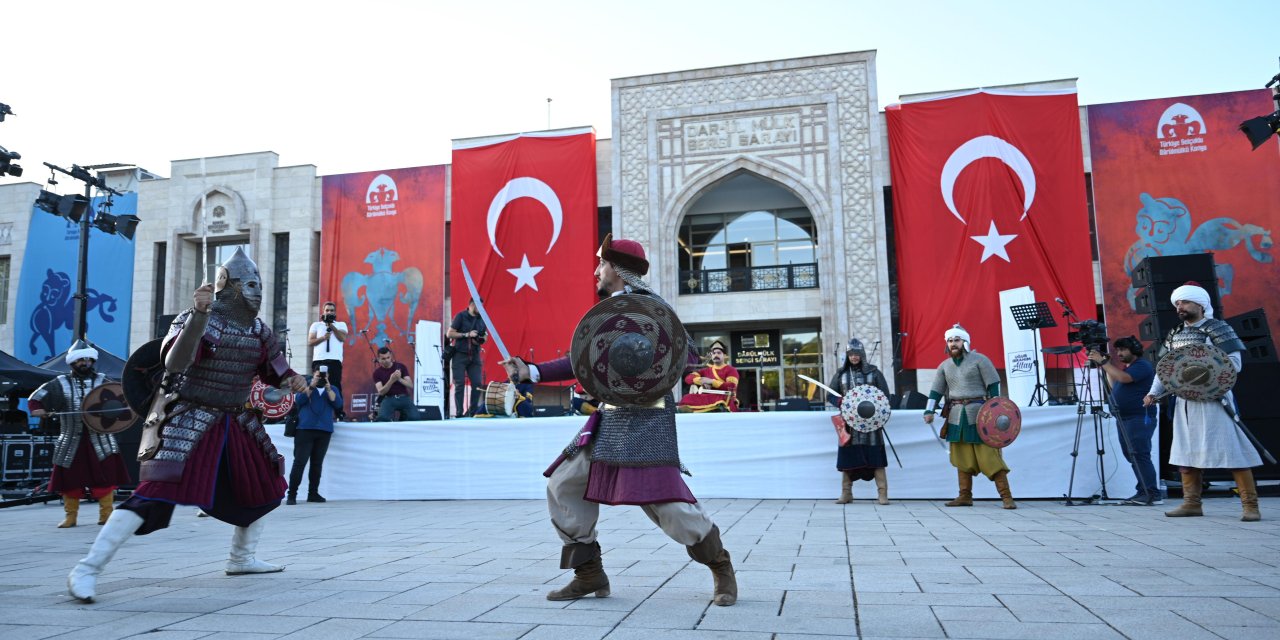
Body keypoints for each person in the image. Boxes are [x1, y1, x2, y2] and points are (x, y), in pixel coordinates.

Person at [500, 233, 737, 607]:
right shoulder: (611, 313)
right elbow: (581, 359)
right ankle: (589, 574)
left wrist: (653, 366)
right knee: (564, 484)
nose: (597, 271)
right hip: (609, 419)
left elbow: (687, 360)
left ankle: (720, 565)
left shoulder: (651, 310)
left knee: (670, 508)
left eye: (602, 264)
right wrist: (531, 371)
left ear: (618, 269)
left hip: (648, 422)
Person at [68, 249, 309, 603]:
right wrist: (198, 315)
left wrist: (293, 379)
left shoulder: (259, 331)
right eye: (249, 284)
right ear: (229, 286)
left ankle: (241, 558)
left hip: (236, 420)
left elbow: (276, 370)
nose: (257, 291)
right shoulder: (194, 318)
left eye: (258, 284)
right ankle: (87, 568)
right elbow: (175, 361)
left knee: (264, 484)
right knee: (153, 492)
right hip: (190, 418)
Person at [1144, 282, 1261, 521]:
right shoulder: (1175, 334)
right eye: (1178, 303)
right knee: (1185, 452)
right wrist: (1154, 393)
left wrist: (1203, 371)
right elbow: (1164, 368)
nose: (1180, 307)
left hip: (1214, 400)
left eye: (1185, 302)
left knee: (1232, 451)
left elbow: (1234, 364)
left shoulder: (1218, 328)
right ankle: (1191, 503)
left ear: (1200, 304)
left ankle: (1250, 506)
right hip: (1184, 402)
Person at [28, 340, 132, 528]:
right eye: (81, 360)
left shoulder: (103, 381)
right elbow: (36, 398)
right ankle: (71, 516)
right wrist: (38, 409)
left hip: (101, 439)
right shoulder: (60, 383)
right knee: (70, 481)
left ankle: (106, 515)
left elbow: (121, 398)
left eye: (88, 360)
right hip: (70, 440)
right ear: (72, 362)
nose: (85, 363)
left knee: (106, 478)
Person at [922, 324, 1017, 509]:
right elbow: (935, 391)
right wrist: (929, 411)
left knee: (990, 458)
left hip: (980, 416)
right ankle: (964, 496)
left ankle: (1006, 497)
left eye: (956, 340)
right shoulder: (944, 366)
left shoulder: (980, 360)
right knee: (961, 458)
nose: (953, 344)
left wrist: (995, 411)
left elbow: (993, 385)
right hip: (956, 417)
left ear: (964, 341)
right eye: (950, 341)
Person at [1089, 336, 1161, 506]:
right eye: (1118, 350)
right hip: (1126, 418)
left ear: (1134, 349)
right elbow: (1114, 384)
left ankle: (1151, 492)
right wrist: (1107, 365)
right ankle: (1143, 491)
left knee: (1139, 454)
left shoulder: (1142, 365)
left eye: (1123, 350)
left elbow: (1124, 379)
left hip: (1138, 417)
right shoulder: (1127, 368)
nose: (1119, 353)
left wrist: (1103, 362)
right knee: (1132, 455)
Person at [827, 338, 891, 505]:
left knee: (876, 459)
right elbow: (830, 395)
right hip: (849, 424)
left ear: (862, 354)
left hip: (872, 424)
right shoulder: (841, 374)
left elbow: (885, 396)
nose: (854, 357)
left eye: (857, 354)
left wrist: (876, 408)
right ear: (847, 356)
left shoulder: (874, 373)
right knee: (848, 459)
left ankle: (882, 494)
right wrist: (839, 401)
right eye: (851, 354)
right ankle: (846, 493)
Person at [287, 367, 342, 505]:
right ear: (313, 375)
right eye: (319, 375)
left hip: (324, 430)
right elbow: (299, 400)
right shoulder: (307, 386)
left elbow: (337, 403)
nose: (321, 377)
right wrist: (311, 386)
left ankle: (313, 493)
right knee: (300, 462)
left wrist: (328, 388)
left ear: (328, 375)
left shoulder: (333, 388)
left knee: (317, 464)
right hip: (305, 429)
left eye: (324, 375)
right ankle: (291, 495)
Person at [447, 298, 486, 417]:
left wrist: (481, 339)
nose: (481, 309)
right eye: (479, 306)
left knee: (477, 383)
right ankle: (459, 413)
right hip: (460, 354)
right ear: (472, 305)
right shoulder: (461, 316)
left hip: (475, 355)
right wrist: (467, 335)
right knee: (459, 384)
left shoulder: (482, 318)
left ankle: (472, 412)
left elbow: (485, 335)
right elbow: (449, 333)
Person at [677, 340, 739, 412]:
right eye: (714, 353)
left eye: (719, 353)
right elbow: (688, 378)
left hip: (723, 397)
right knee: (686, 397)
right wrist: (702, 381)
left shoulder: (731, 370)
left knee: (720, 400)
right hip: (707, 397)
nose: (716, 355)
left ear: (725, 355)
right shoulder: (706, 370)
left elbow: (731, 386)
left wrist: (711, 381)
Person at [307, 301, 348, 391]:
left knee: (334, 387)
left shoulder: (341, 324)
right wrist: (323, 338)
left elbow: (342, 338)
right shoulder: (316, 325)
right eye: (327, 310)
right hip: (319, 360)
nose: (329, 312)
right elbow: (310, 342)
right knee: (318, 387)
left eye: (332, 310)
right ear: (323, 312)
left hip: (334, 361)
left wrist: (331, 325)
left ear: (335, 312)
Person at [373, 347, 419, 421]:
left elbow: (410, 385)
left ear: (391, 356)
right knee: (382, 418)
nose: (386, 360)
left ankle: (402, 421)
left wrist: (399, 379)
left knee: (415, 418)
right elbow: (381, 392)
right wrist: (391, 380)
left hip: (404, 397)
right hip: (389, 398)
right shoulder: (377, 373)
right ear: (379, 359)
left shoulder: (401, 366)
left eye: (388, 357)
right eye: (383, 359)